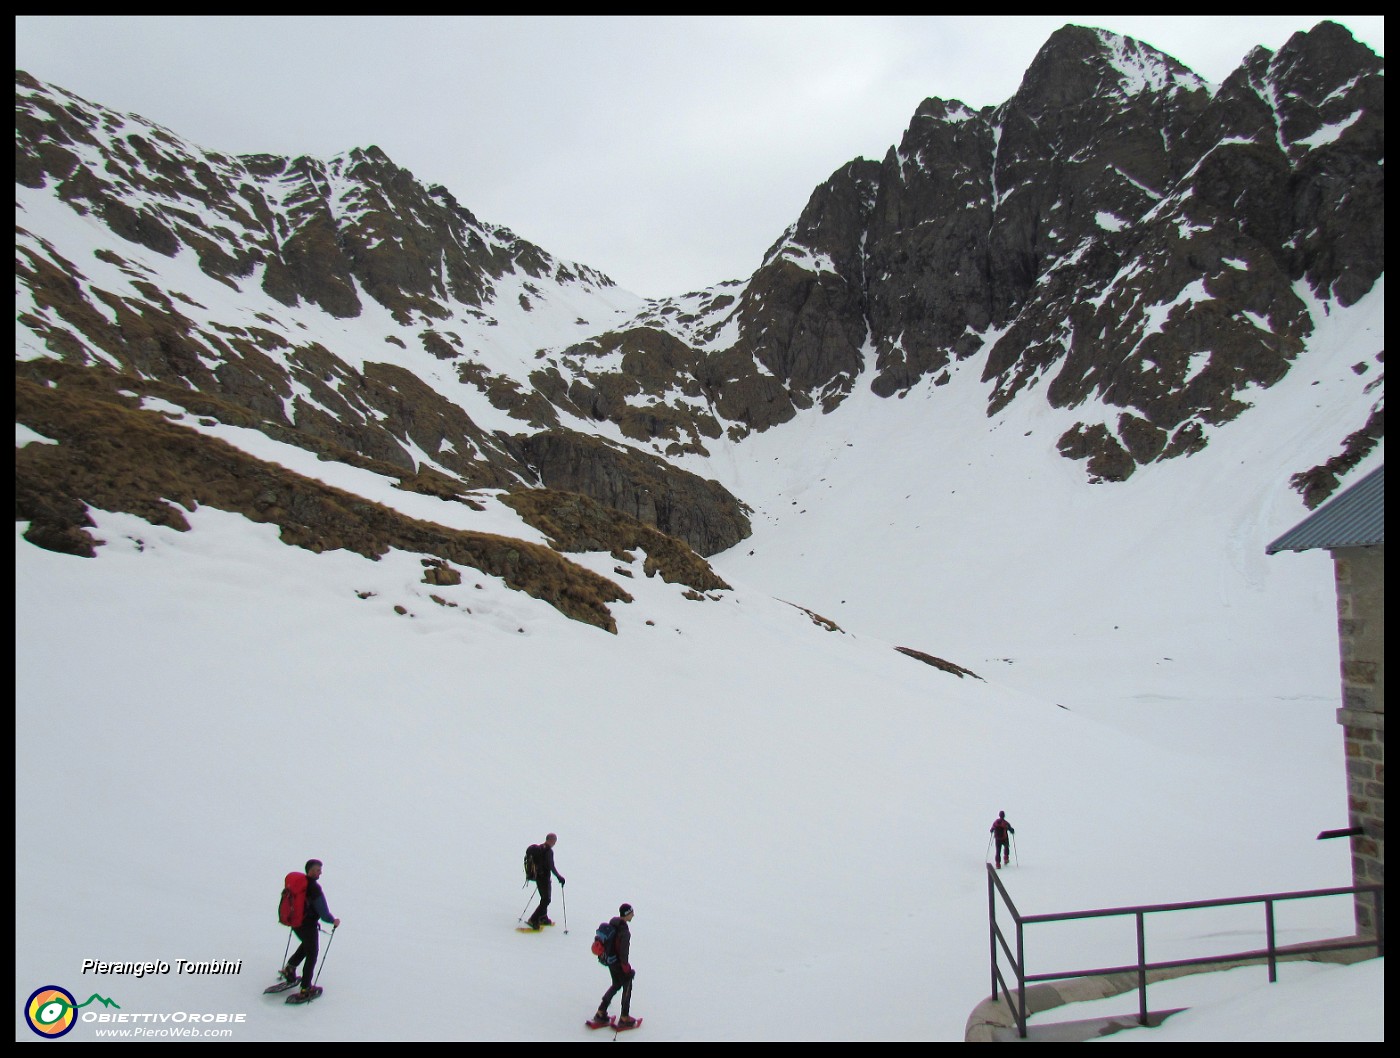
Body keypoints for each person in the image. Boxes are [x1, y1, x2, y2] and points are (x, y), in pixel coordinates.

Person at [280, 859, 341, 997]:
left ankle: (290, 968)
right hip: (308, 925)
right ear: (312, 871)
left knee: (307, 945)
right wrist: (333, 921)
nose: (320, 872)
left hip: (296, 923)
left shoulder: (300, 884)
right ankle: (306, 988)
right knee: (312, 953)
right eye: (318, 870)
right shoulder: (313, 888)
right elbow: (323, 912)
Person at [594, 903, 637, 1027]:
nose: (633, 915)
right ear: (627, 914)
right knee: (627, 983)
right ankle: (624, 1017)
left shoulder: (613, 924)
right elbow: (624, 953)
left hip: (609, 960)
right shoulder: (624, 932)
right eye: (631, 913)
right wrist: (627, 970)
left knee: (616, 984)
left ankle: (601, 1011)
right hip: (618, 962)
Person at [525, 833, 566, 929]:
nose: (554, 843)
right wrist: (559, 877)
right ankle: (534, 919)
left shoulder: (539, 848)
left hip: (538, 877)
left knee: (545, 898)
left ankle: (543, 917)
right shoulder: (548, 851)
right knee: (546, 900)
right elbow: (551, 866)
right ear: (550, 840)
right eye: (554, 841)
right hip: (544, 878)